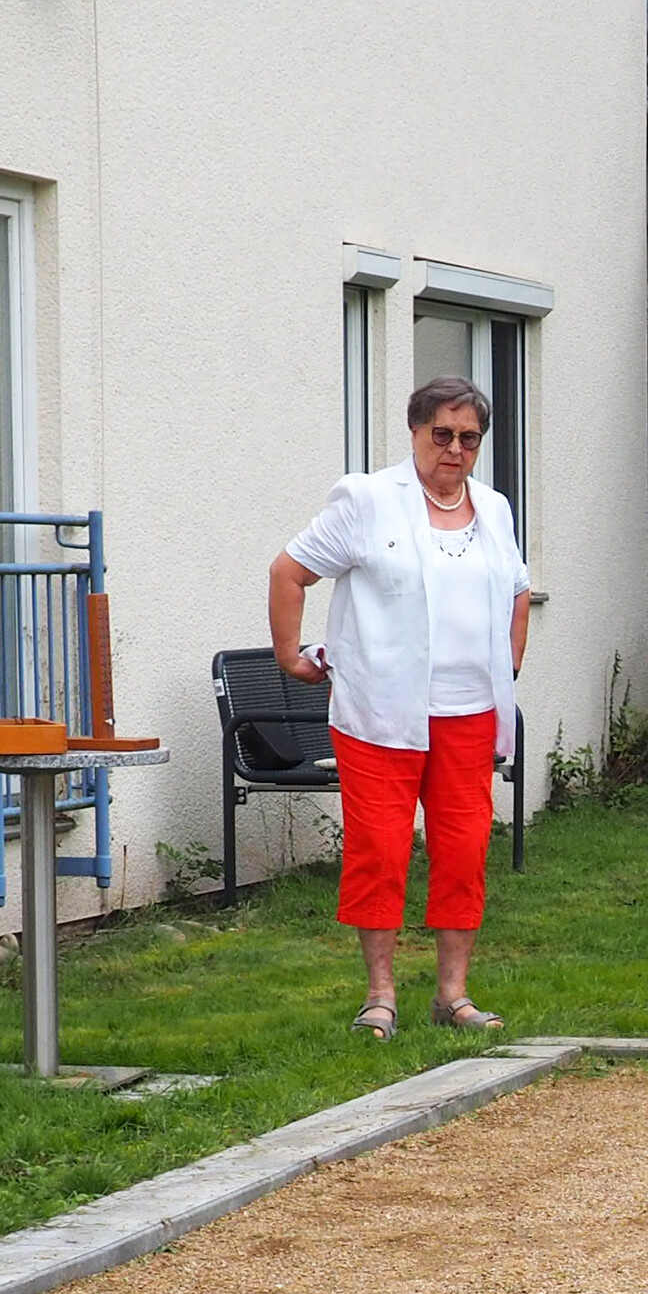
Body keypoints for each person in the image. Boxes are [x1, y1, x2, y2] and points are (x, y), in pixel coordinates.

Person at [269, 374, 534, 1038]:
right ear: (415, 432)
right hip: (381, 713)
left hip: (468, 712)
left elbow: (519, 592)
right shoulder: (367, 500)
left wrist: (508, 666)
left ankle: (453, 993)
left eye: (468, 438)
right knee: (380, 850)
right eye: (441, 434)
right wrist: (289, 656)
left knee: (463, 848)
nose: (453, 449)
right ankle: (380, 994)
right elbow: (289, 571)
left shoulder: (495, 509)